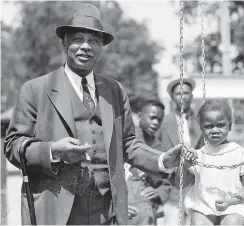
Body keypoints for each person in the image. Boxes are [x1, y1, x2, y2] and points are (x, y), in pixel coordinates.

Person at [4, 4, 196, 225]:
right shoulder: (35, 89)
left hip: (107, 210)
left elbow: (129, 143)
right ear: (64, 43)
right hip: (56, 210)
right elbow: (13, 145)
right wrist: (52, 151)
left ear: (102, 47)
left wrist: (162, 160)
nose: (86, 46)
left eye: (94, 40)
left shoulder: (114, 90)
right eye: (78, 39)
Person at [176, 99, 244, 225]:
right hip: (203, 206)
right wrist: (185, 164)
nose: (215, 130)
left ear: (230, 125)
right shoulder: (198, 156)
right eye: (209, 126)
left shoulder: (239, 153)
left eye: (221, 125)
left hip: (233, 205)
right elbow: (181, 184)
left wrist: (230, 202)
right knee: (198, 223)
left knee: (233, 222)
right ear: (202, 128)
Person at [158, 77, 204, 225]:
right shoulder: (164, 122)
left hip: (198, 183)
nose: (182, 96)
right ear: (172, 97)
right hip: (172, 184)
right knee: (172, 221)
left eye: (186, 92)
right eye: (178, 94)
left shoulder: (202, 120)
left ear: (192, 95)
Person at [126, 100, 172, 225]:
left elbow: (165, 183)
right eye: (152, 118)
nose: (155, 122)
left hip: (146, 207)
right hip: (124, 203)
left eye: (159, 120)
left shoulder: (160, 150)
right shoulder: (126, 141)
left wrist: (158, 192)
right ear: (140, 117)